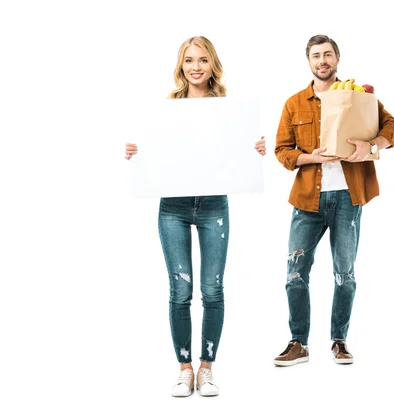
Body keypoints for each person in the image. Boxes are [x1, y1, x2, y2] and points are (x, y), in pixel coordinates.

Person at [125, 36, 266, 397]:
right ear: (181, 66)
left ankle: (207, 367)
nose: (196, 66)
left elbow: (235, 154)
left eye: (203, 59)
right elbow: (155, 152)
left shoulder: (228, 108)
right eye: (189, 60)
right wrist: (135, 150)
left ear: (212, 64)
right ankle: (184, 367)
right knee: (181, 289)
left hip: (213, 205)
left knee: (212, 289)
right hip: (173, 205)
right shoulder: (167, 108)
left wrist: (255, 148)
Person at [273, 34, 394, 366]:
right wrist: (311, 157)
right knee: (295, 273)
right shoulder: (294, 103)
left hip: (348, 197)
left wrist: (371, 146)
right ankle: (298, 342)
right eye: (316, 56)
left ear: (337, 58)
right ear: (309, 62)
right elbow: (282, 151)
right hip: (307, 199)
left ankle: (339, 340)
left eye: (328, 54)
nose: (322, 60)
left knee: (344, 273)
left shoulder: (358, 96)